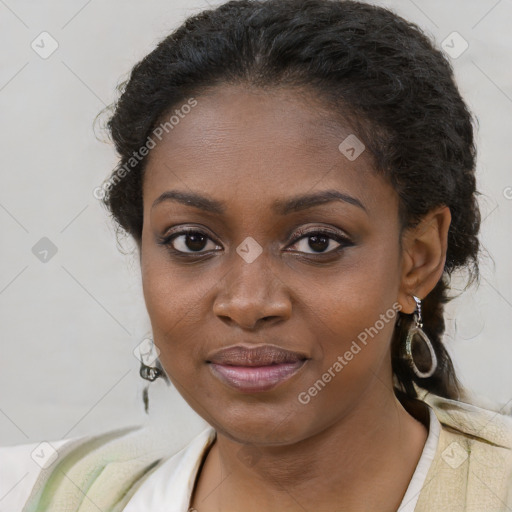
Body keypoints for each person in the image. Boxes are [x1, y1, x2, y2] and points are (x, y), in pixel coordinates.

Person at [2, 0, 512, 510]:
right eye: (192, 241)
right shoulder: (39, 494)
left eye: (317, 241)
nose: (247, 303)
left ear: (416, 259)